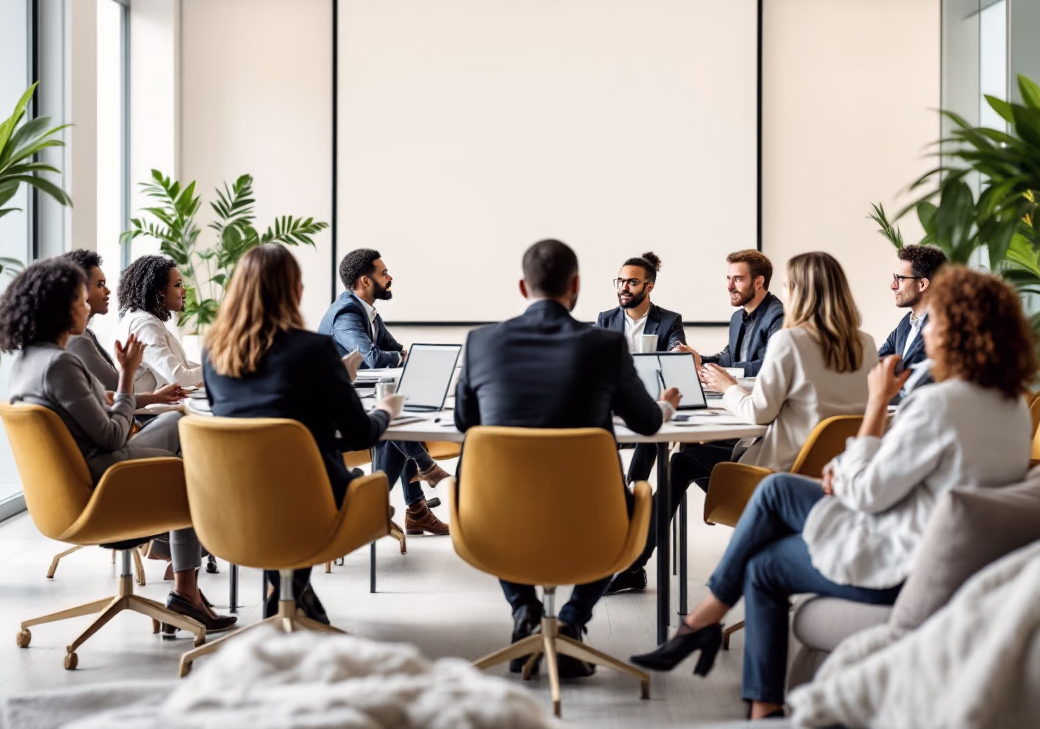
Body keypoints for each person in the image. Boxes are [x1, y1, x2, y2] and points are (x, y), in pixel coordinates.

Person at [630, 266, 1037, 721]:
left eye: (936, 319)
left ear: (956, 329)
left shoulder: (940, 405)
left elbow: (867, 492)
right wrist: (845, 470)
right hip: (950, 553)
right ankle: (719, 646)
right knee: (779, 493)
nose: (928, 329)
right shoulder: (1013, 407)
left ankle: (720, 648)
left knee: (766, 548)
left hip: (903, 566)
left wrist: (877, 408)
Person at [454, 239, 681, 680]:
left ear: (524, 287)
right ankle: (573, 619)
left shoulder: (481, 342)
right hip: (594, 521)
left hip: (494, 518)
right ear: (575, 287)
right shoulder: (604, 345)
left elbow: (466, 422)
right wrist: (666, 405)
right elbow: (648, 424)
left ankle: (524, 610)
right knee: (633, 499)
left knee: (499, 506)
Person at [609, 252, 876, 596]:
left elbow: (758, 413)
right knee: (695, 454)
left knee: (681, 462)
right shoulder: (865, 343)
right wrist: (706, 363)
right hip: (834, 475)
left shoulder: (789, 339)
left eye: (787, 287)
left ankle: (634, 564)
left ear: (800, 292)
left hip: (779, 475)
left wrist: (729, 388)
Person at [0, 258, 234, 633]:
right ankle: (186, 584)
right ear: (60, 308)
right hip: (106, 479)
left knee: (180, 424)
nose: (87, 306)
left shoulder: (29, 361)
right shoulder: (60, 364)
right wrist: (127, 377)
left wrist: (138, 395)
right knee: (191, 460)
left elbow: (98, 403)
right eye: (80, 300)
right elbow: (112, 435)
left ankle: (176, 562)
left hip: (75, 480)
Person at [203, 244, 404, 624]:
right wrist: (384, 411)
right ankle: (291, 598)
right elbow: (361, 435)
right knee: (317, 481)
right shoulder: (313, 350)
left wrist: (329, 388)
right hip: (308, 506)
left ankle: (286, 597)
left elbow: (250, 425)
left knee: (272, 481)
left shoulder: (214, 353)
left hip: (228, 505)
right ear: (293, 291)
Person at [318, 248, 449, 536]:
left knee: (395, 423)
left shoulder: (369, 313)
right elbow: (374, 358)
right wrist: (397, 356)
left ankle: (413, 507)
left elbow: (393, 349)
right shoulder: (346, 313)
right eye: (384, 273)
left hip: (365, 404)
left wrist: (397, 355)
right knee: (394, 424)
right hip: (341, 418)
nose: (390, 277)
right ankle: (415, 487)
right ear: (365, 281)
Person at [596, 252, 687, 484]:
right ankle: (612, 488)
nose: (624, 288)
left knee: (653, 431)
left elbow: (676, 352)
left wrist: (678, 351)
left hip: (652, 400)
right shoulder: (605, 320)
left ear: (649, 286)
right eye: (620, 281)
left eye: (632, 282)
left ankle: (633, 486)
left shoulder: (669, 320)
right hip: (616, 404)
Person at [60, 250, 186, 407]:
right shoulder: (78, 341)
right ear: (77, 291)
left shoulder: (86, 335)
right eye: (100, 285)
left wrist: (155, 397)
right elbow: (113, 395)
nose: (108, 291)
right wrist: (130, 371)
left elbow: (110, 395)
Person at [674, 250, 784, 377]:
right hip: (738, 391)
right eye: (729, 279)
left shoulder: (779, 317)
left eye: (737, 279)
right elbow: (729, 358)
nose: (729, 286)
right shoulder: (737, 317)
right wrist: (700, 359)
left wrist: (727, 371)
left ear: (758, 282)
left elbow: (773, 365)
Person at [114, 254, 203, 392]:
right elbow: (179, 379)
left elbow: (180, 366)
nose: (184, 291)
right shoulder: (145, 326)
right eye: (178, 285)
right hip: (148, 413)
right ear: (160, 291)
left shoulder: (145, 319)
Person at [880, 244, 948, 402]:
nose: (893, 286)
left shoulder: (943, 327)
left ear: (923, 284)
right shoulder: (905, 324)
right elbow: (878, 364)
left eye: (900, 279)